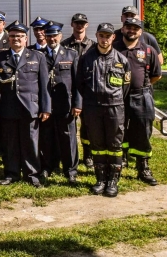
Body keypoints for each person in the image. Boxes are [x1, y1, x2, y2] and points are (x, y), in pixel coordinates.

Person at [0, 21, 51, 188]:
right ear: (8, 38)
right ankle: (11, 173)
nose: (15, 39)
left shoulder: (38, 57)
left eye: (19, 36)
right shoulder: (0, 58)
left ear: (26, 38)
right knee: (10, 143)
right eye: (12, 36)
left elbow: (44, 85)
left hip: (30, 108)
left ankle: (32, 174)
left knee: (31, 142)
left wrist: (46, 108)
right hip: (8, 108)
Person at [76, 23, 131, 197]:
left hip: (115, 107)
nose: (104, 39)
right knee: (97, 145)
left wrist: (114, 100)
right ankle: (100, 180)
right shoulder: (86, 58)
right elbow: (80, 84)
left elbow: (126, 88)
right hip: (93, 108)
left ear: (113, 37)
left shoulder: (122, 61)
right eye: (101, 35)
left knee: (114, 145)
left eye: (108, 36)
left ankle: (113, 181)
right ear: (97, 36)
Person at [113, 17, 161, 185]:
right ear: (123, 28)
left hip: (142, 96)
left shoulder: (148, 51)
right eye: (128, 27)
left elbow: (156, 75)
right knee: (119, 129)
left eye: (135, 28)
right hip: (119, 96)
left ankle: (143, 166)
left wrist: (140, 87)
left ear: (140, 32)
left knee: (143, 130)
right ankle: (120, 162)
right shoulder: (114, 48)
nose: (131, 30)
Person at [39, 22, 81, 185]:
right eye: (48, 35)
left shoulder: (71, 55)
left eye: (54, 35)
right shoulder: (38, 54)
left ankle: (70, 170)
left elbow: (78, 82)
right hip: (46, 105)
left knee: (68, 138)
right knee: (46, 137)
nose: (51, 38)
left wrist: (78, 103)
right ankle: (47, 167)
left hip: (66, 104)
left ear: (60, 36)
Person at [61, 12, 96, 168]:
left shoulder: (93, 46)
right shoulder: (65, 45)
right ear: (72, 24)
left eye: (82, 23)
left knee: (88, 126)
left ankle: (88, 155)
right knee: (70, 127)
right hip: (70, 91)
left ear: (87, 25)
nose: (79, 25)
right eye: (77, 23)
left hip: (88, 91)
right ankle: (69, 156)